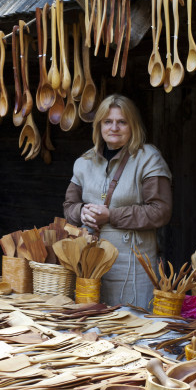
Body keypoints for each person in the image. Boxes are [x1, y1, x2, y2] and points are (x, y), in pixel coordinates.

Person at [63, 94, 172, 308]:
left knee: (134, 327)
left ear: (133, 125)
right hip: (90, 264)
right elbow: (69, 207)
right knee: (94, 327)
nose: (114, 127)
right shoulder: (84, 162)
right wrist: (81, 211)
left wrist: (111, 215)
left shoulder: (148, 158)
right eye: (108, 121)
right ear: (99, 125)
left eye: (122, 122)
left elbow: (161, 210)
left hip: (133, 266)